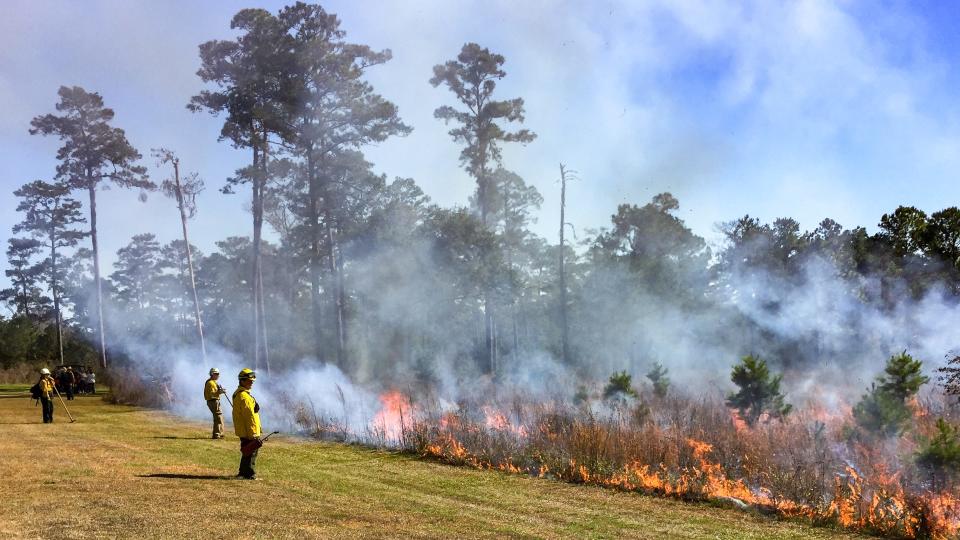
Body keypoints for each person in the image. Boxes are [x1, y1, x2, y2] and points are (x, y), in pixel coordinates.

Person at [232, 368, 261, 480]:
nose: (252, 382)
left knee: (246, 451)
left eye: (252, 381)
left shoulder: (239, 394)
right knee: (252, 451)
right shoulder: (244, 397)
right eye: (250, 381)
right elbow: (250, 418)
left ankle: (242, 473)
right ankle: (249, 474)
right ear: (243, 381)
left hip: (244, 430)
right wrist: (254, 433)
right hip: (249, 430)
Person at [204, 368, 227, 439]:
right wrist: (220, 392)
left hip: (213, 401)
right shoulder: (211, 383)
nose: (218, 375)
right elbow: (212, 394)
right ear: (212, 374)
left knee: (217, 418)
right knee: (218, 417)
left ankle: (217, 434)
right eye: (216, 374)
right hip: (213, 401)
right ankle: (218, 434)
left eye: (218, 374)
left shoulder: (213, 382)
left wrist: (220, 391)